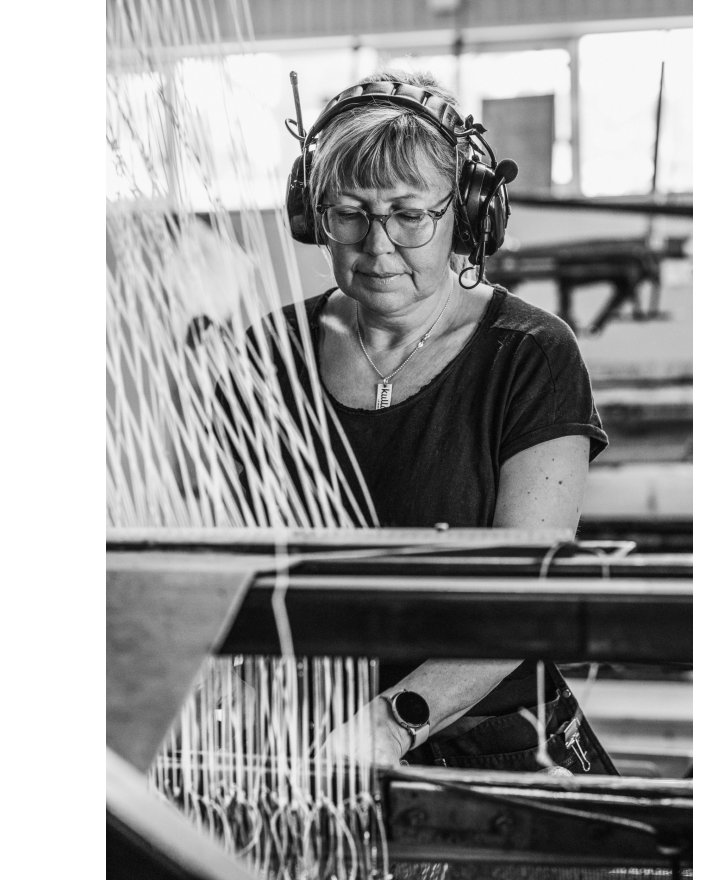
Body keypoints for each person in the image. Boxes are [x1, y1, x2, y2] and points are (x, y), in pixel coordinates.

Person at [247, 70, 614, 773]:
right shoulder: (269, 352)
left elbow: (527, 592)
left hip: (494, 747)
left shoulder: (530, 354)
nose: (378, 245)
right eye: (348, 213)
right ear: (312, 217)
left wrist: (392, 722)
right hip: (303, 739)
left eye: (409, 215)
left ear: (468, 216)